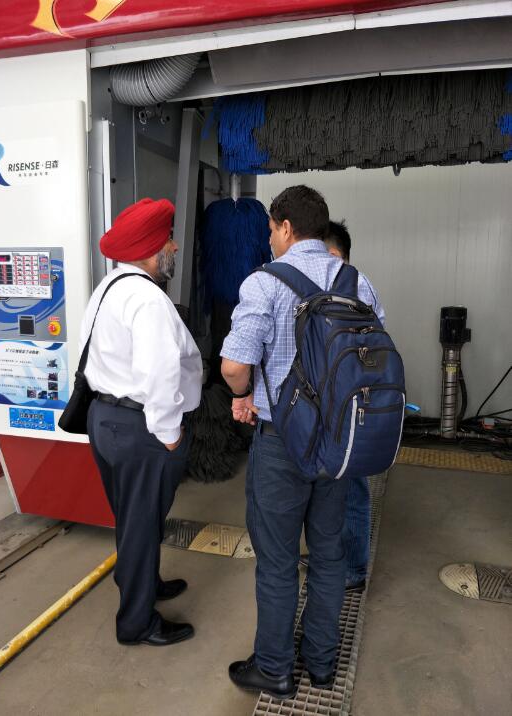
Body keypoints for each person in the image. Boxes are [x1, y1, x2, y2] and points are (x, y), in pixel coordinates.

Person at [220, 186, 385, 699]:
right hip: (339, 443)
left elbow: (234, 366)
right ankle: (321, 662)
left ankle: (274, 667)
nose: (269, 239)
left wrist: (242, 397)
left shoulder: (265, 283)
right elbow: (375, 360)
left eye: (271, 229)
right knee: (329, 554)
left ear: (287, 227)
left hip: (282, 445)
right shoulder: (358, 282)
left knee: (277, 560)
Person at [82, 197, 203, 647]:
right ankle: (136, 624)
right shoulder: (148, 299)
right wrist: (169, 434)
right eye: (169, 239)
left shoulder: (109, 287)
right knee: (139, 523)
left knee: (134, 518)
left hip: (106, 419)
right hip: (140, 428)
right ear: (151, 248)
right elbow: (160, 373)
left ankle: (146, 584)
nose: (174, 246)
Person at [300, 219, 385, 591]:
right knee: (334, 485)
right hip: (344, 404)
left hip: (345, 406)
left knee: (351, 488)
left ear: (333, 254)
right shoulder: (356, 285)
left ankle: (353, 568)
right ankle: (335, 558)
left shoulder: (350, 285)